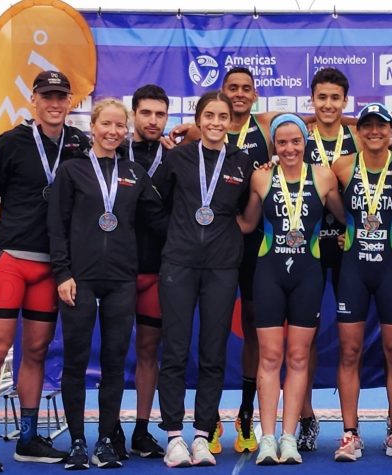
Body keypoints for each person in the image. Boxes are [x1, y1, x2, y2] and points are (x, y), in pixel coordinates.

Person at [0, 70, 86, 473]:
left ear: (71, 102)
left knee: (35, 351)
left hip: (51, 266)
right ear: (33, 100)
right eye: (47, 96)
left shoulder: (79, 144)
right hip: (13, 260)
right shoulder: (12, 142)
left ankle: (28, 438)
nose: (54, 104)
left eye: (61, 97)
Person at [48, 98, 165, 470]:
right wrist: (62, 272)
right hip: (78, 280)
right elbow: (57, 225)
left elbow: (159, 219)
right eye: (106, 125)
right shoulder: (72, 170)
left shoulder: (133, 173)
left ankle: (105, 442)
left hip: (120, 280)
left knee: (115, 362)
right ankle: (78, 441)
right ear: (93, 127)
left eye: (119, 126)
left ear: (126, 131)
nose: (113, 132)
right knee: (76, 362)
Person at [153, 91, 255, 468]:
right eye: (208, 115)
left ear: (232, 121)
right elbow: (154, 204)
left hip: (222, 266)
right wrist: (178, 234)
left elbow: (248, 212)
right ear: (198, 119)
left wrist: (229, 234)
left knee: (213, 352)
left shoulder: (243, 163)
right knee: (176, 350)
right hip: (178, 263)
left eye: (222, 116)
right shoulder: (177, 157)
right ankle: (174, 435)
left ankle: (201, 436)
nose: (215, 122)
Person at [237, 114, 345, 465]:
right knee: (270, 357)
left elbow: (348, 217)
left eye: (295, 141)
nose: (289, 148)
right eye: (281, 142)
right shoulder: (262, 176)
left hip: (307, 275)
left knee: (298, 357)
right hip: (268, 273)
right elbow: (248, 223)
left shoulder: (324, 176)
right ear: (273, 145)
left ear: (305, 142)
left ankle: (289, 437)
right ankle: (267, 438)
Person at [331, 103, 392, 462]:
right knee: (350, 352)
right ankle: (349, 434)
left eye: (381, 126)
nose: (374, 131)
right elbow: (309, 184)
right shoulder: (342, 166)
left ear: (391, 130)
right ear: (358, 131)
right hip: (353, 269)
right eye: (367, 125)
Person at [298, 67, 359, 451]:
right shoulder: (298, 135)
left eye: (335, 98)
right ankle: (305, 416)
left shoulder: (358, 134)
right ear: (312, 100)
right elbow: (264, 121)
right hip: (306, 246)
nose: (328, 105)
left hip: (351, 246)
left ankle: (353, 427)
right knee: (303, 338)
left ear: (345, 102)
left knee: (350, 337)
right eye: (322, 97)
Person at [112, 84, 174, 461]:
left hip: (155, 268)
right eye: (146, 113)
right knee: (115, 350)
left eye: (160, 114)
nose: (153, 120)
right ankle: (110, 428)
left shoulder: (176, 157)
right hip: (115, 268)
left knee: (149, 350)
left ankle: (141, 429)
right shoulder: (112, 151)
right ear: (133, 114)